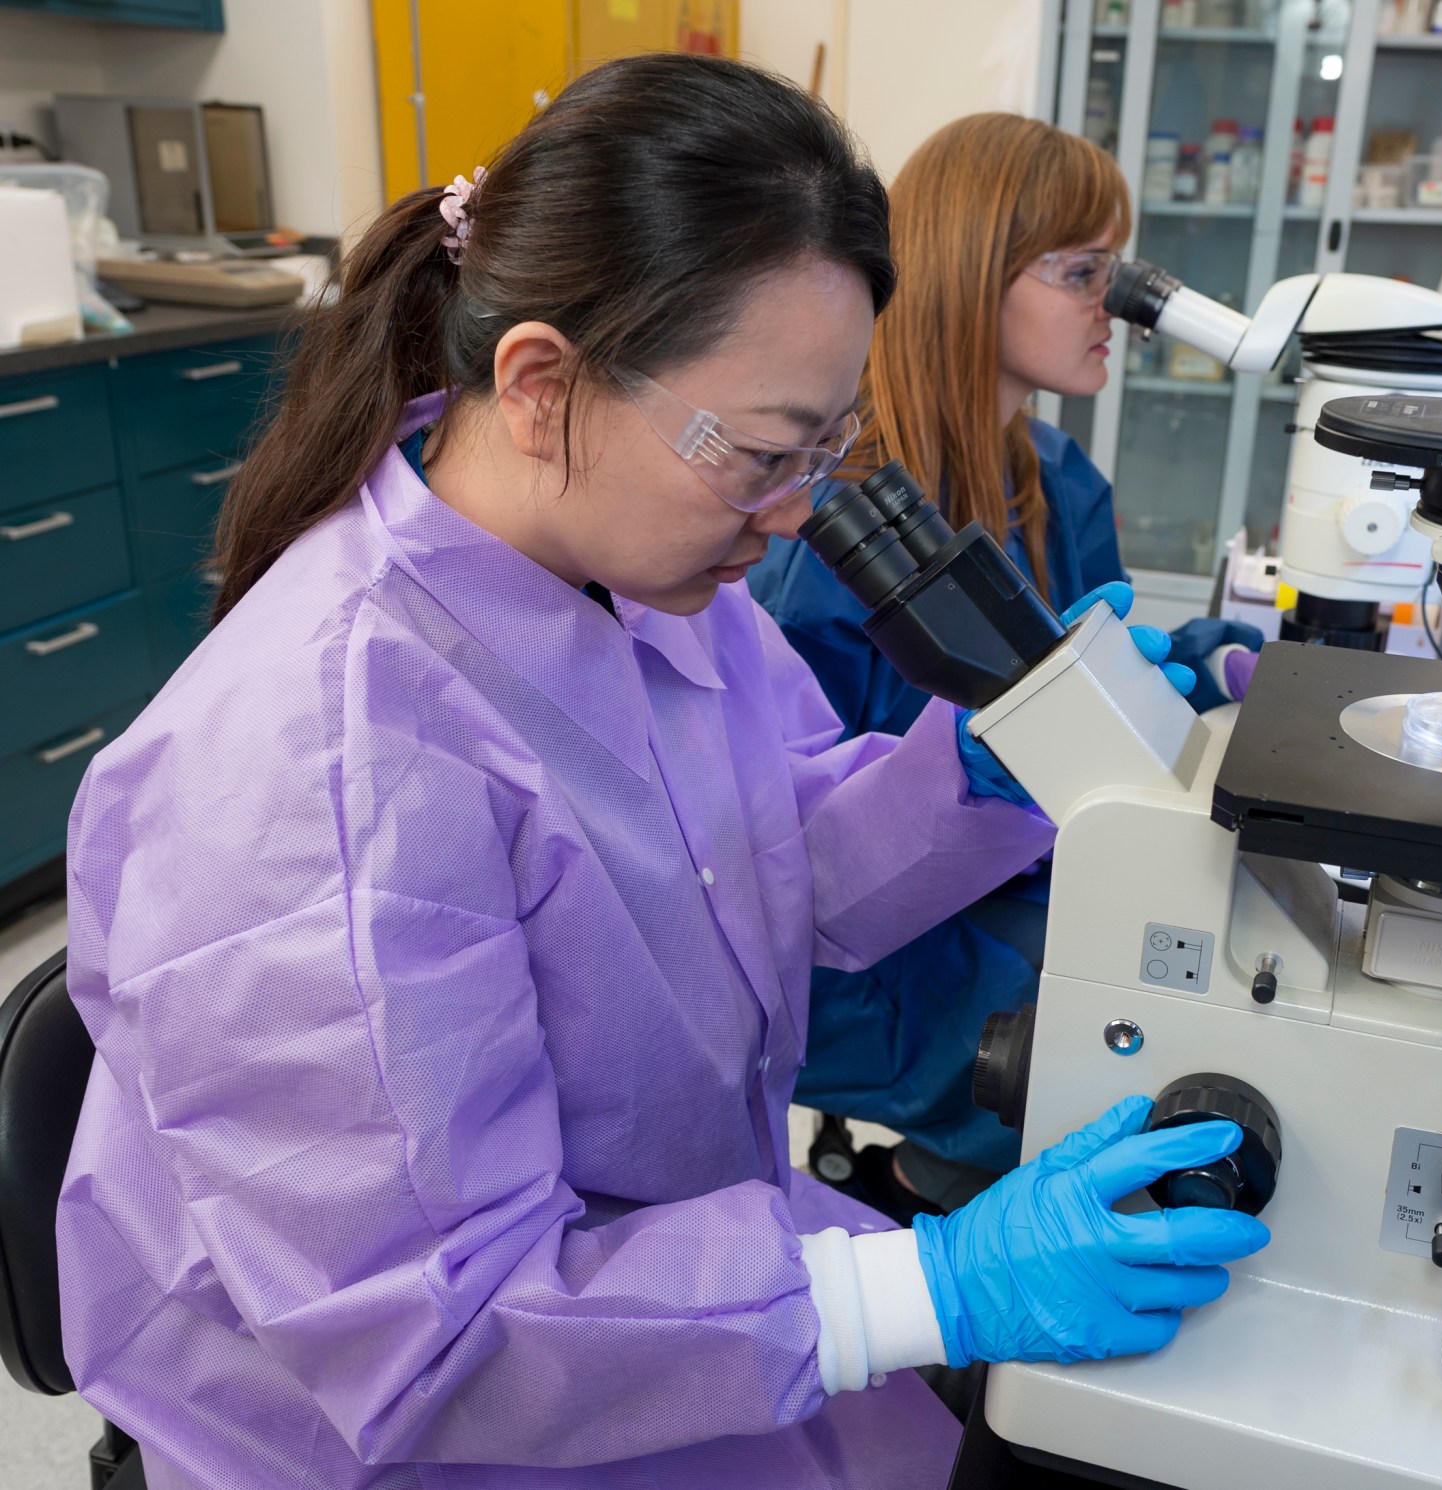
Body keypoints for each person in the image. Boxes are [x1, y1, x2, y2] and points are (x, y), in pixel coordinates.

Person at [55, 58, 1269, 1490]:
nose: (800, 510)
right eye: (764, 452)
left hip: (675, 1311)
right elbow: (434, 1335)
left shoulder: (643, 578)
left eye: (830, 446)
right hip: (441, 1425)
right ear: (540, 383)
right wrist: (926, 1287)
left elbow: (769, 866)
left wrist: (990, 768)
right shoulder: (324, 758)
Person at [752, 113, 1261, 1213]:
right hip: (879, 967)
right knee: (1130, 1077)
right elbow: (809, 885)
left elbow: (1083, 666)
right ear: (969, 272)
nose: (1111, 307)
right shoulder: (837, 544)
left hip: (1024, 887)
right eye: (1081, 271)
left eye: (1113, 270)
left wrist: (1212, 662)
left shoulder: (1055, 477)